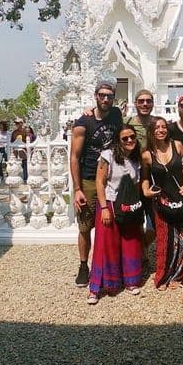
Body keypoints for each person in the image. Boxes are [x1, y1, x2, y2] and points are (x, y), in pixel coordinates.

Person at [70, 81, 124, 287]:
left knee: (113, 223)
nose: (106, 99)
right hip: (90, 178)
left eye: (109, 96)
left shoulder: (116, 115)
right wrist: (77, 189)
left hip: (113, 178)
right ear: (95, 96)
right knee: (85, 226)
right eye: (102, 95)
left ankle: (112, 265)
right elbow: (74, 157)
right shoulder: (84, 123)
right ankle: (84, 266)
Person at [87, 125, 144, 304]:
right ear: (118, 141)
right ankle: (97, 287)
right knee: (105, 245)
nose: (129, 141)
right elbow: (99, 181)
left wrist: (137, 205)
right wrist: (103, 208)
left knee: (130, 243)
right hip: (110, 203)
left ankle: (130, 280)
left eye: (132, 137)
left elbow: (136, 184)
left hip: (128, 205)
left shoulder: (136, 159)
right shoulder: (108, 156)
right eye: (124, 138)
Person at [141, 117, 183, 290]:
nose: (161, 130)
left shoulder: (177, 145)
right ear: (151, 131)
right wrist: (146, 191)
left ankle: (178, 275)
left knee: (182, 239)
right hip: (162, 200)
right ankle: (164, 275)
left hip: (180, 198)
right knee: (164, 239)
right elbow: (145, 177)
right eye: (157, 127)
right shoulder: (147, 154)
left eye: (163, 127)